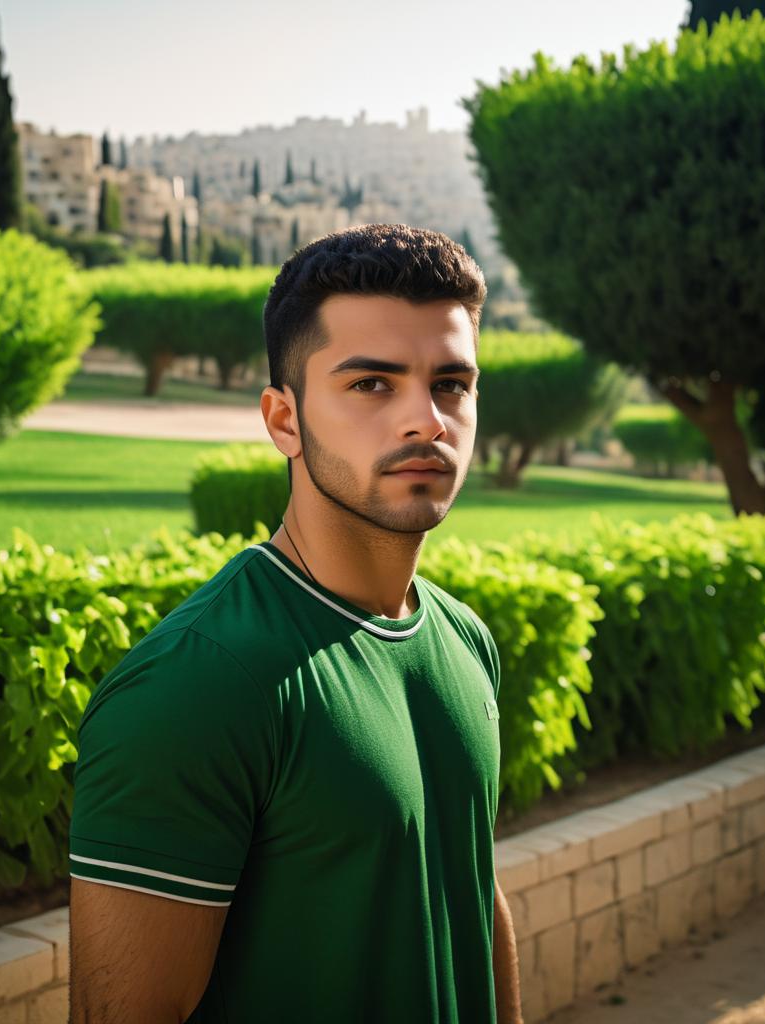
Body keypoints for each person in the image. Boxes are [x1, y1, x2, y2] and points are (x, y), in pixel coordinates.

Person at [68, 223, 523, 1023]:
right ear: (283, 420)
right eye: (373, 385)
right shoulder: (200, 683)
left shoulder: (463, 640)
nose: (428, 421)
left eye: (451, 383)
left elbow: (472, 891)